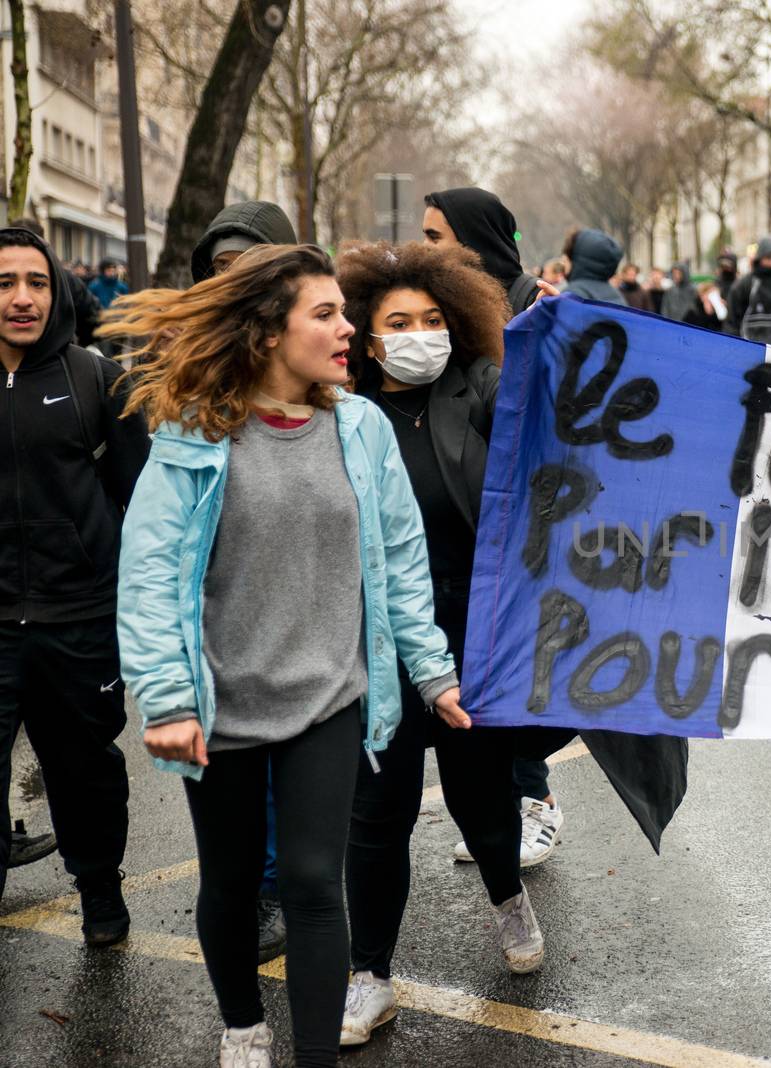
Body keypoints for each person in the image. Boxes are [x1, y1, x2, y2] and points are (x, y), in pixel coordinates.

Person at [106, 244, 467, 1068]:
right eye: (328, 314)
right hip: (223, 699)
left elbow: (401, 560)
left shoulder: (361, 426)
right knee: (230, 886)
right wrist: (166, 700)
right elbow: (151, 572)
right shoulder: (196, 432)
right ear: (271, 331)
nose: (349, 329)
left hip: (330, 694)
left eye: (345, 313)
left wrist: (431, 672)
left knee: (312, 884)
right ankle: (241, 1026)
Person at [331, 241, 550, 1046]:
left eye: (432, 319)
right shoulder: (343, 411)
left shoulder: (482, 389)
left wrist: (557, 333)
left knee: (480, 798)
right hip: (376, 640)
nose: (420, 333)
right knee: (377, 810)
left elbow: (550, 415)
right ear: (368, 334)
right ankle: (370, 973)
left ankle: (506, 896)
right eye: (399, 322)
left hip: (475, 637)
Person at [0, 227, 145, 943]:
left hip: (80, 619)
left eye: (37, 281)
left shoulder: (93, 378)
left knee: (86, 772)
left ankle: (100, 888)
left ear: (56, 290)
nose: (22, 297)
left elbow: (140, 500)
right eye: (4, 282)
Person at [191, 198, 302, 966]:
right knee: (238, 778)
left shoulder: (329, 363)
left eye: (248, 269)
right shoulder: (184, 378)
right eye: (219, 271)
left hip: (310, 613)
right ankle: (256, 889)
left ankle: (291, 885)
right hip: (223, 618)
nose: (232, 285)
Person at [422, 187, 541, 314]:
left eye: (434, 237)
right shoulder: (428, 298)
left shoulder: (533, 300)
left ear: (470, 239)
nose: (424, 246)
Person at [9, 217, 99, 348]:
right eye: (6, 284)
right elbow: (93, 317)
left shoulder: (66, 280)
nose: (23, 300)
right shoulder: (67, 279)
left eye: (37, 284)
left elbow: (92, 317)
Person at [192, 201, 297, 283]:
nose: (231, 278)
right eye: (223, 266)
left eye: (246, 266)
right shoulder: (190, 309)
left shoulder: (304, 310)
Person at [561, 228, 626, 305]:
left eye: (568, 254)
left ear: (575, 259)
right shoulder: (616, 294)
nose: (563, 260)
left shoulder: (574, 294)